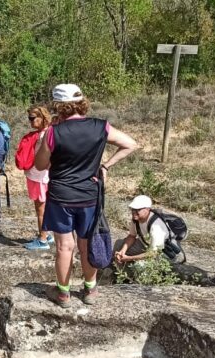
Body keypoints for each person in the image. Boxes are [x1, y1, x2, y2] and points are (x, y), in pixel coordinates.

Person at [33, 84, 140, 307]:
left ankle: (63, 294)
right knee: (86, 243)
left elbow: (41, 165)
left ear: (58, 106)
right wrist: (106, 166)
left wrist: (43, 141)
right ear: (81, 103)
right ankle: (90, 290)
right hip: (89, 196)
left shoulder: (53, 132)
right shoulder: (101, 126)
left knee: (64, 246)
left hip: (61, 196)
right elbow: (130, 144)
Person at [16, 105, 54, 250]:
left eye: (32, 118)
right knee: (43, 206)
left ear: (42, 118)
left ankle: (42, 240)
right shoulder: (47, 133)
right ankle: (47, 234)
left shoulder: (43, 136)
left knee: (40, 209)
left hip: (39, 176)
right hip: (40, 176)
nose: (30, 121)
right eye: (29, 118)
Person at [114, 195, 184, 265]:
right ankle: (117, 267)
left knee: (140, 265)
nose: (134, 212)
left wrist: (129, 258)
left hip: (162, 251)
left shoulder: (156, 226)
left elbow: (153, 253)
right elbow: (132, 236)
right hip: (146, 244)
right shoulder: (136, 219)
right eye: (133, 209)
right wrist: (122, 251)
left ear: (147, 209)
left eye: (138, 209)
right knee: (119, 244)